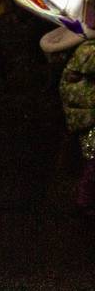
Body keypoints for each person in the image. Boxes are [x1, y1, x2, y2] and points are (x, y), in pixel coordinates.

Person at [42, 26, 95, 218]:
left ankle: (85, 198)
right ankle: (85, 201)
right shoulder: (89, 51)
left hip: (84, 119)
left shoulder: (80, 48)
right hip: (89, 120)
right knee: (92, 161)